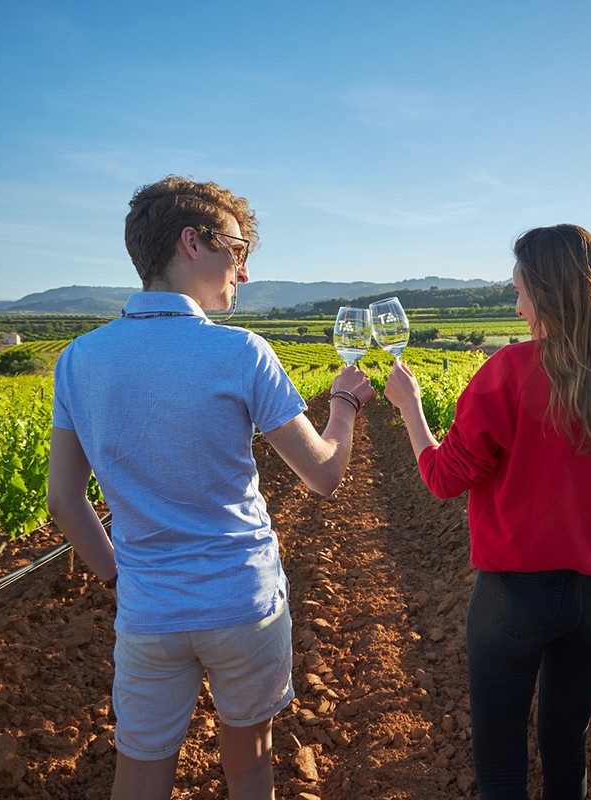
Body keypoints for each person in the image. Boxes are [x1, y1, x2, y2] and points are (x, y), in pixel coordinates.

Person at [46, 176, 375, 800]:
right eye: (239, 247)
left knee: (139, 774)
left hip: (149, 612)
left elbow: (64, 500)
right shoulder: (242, 353)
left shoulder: (79, 360)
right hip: (241, 603)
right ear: (192, 242)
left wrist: (119, 579)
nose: (244, 271)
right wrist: (343, 403)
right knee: (250, 769)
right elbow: (325, 474)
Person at [383, 224, 591, 800]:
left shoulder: (510, 372)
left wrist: (411, 410)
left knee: (499, 766)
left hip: (513, 599)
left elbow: (445, 478)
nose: (517, 308)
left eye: (520, 292)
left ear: (546, 293)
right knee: (567, 748)